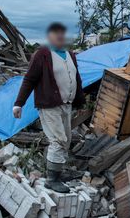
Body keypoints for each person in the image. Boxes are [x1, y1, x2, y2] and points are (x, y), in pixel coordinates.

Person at [13, 22, 85, 193]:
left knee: (66, 139)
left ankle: (60, 172)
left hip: (66, 105)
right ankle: (51, 179)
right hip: (49, 106)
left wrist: (79, 102)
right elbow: (29, 80)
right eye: (56, 35)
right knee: (58, 139)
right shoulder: (42, 55)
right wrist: (19, 103)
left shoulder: (70, 54)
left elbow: (76, 79)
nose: (59, 38)